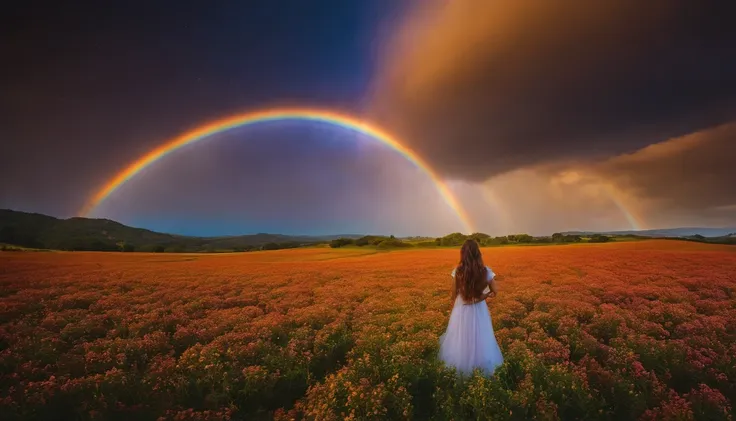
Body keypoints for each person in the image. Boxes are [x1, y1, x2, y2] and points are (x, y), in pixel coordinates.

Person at [438, 239, 504, 376]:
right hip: (479, 310)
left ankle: (460, 368)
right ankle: (481, 368)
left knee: (460, 337)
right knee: (481, 337)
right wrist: (483, 297)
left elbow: (454, 294)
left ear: (463, 254)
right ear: (478, 254)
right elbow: (494, 292)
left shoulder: (457, 271)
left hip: (461, 309)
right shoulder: (486, 271)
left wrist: (456, 308)